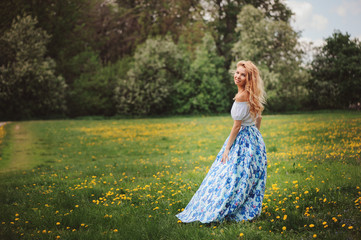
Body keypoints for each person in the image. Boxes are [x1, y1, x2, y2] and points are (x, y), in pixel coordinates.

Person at [175, 60, 267, 223]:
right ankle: (245, 207)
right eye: (237, 72)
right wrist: (256, 137)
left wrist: (227, 149)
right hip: (254, 139)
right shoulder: (253, 95)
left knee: (228, 175)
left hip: (243, 139)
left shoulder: (241, 96)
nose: (238, 76)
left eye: (243, 75)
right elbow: (258, 118)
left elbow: (236, 126)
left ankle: (223, 206)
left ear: (248, 79)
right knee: (245, 176)